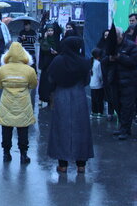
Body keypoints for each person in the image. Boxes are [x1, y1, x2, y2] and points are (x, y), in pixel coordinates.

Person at [48, 36, 94, 173]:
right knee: (81, 129)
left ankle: (62, 164)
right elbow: (87, 81)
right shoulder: (84, 62)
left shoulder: (57, 61)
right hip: (79, 96)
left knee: (61, 129)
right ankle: (81, 165)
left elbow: (51, 79)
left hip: (61, 96)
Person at [0, 42, 38, 164]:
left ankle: (6, 153)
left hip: (6, 103)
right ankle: (23, 155)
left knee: (6, 128)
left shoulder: (2, 69)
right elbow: (34, 84)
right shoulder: (29, 70)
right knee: (23, 129)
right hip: (23, 103)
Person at [100, 27, 137, 140]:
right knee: (117, 105)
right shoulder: (109, 46)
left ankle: (125, 130)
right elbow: (102, 59)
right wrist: (109, 59)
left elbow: (134, 62)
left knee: (127, 106)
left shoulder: (131, 46)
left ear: (121, 36)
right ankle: (123, 127)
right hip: (114, 81)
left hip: (128, 81)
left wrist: (120, 57)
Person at [38, 23, 61, 104]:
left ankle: (51, 99)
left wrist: (56, 52)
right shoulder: (44, 39)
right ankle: (42, 98)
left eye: (52, 30)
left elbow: (60, 50)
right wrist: (45, 39)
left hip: (54, 63)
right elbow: (43, 49)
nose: (50, 32)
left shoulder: (56, 39)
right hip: (46, 64)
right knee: (45, 82)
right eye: (49, 31)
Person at [90, 48, 104, 117]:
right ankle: (99, 112)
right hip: (98, 84)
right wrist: (102, 81)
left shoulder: (91, 62)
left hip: (92, 84)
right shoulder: (98, 63)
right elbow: (100, 74)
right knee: (99, 99)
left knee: (93, 99)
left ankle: (93, 111)